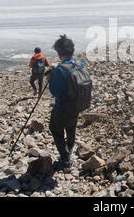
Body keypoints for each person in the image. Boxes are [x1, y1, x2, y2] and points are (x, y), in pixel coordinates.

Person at [46, 35, 84, 170]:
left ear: (59, 52)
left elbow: (55, 91)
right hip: (77, 105)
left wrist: (50, 78)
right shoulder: (79, 64)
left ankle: (65, 158)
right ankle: (70, 149)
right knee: (71, 127)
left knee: (55, 129)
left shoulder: (61, 70)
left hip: (62, 107)